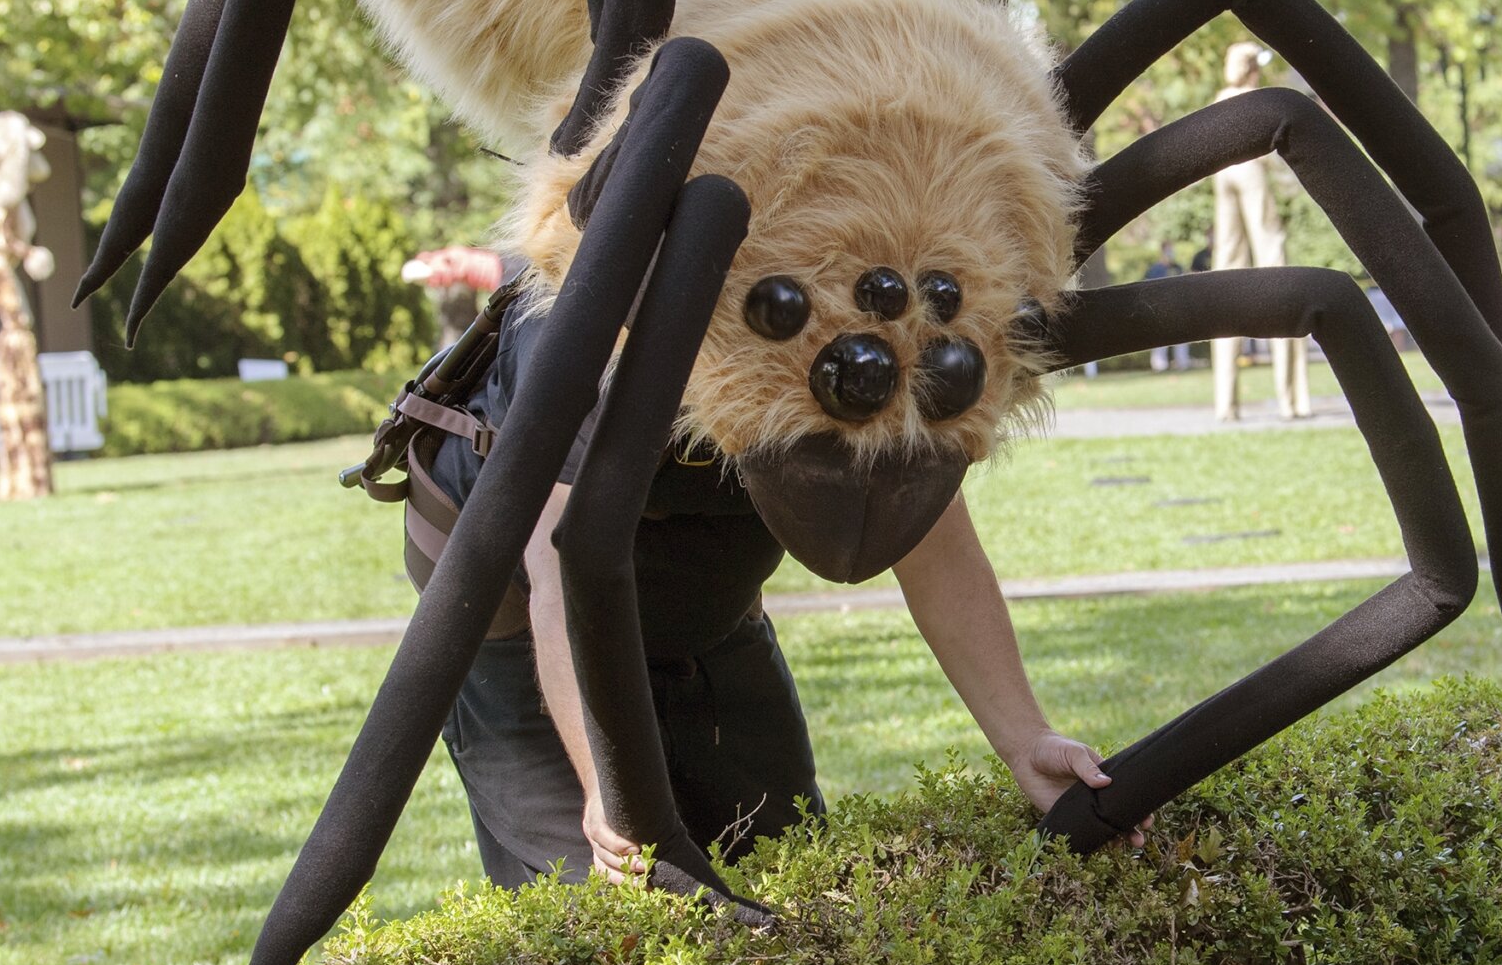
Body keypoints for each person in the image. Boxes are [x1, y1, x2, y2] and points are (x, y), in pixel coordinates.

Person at [423, 287, 1130, 892]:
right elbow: (558, 577)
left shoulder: (883, 313)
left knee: (787, 863)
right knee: (606, 891)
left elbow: (936, 551)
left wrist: (1026, 739)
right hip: (517, 607)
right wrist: (600, 783)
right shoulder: (593, 322)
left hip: (709, 606)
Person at [1209, 41, 1309, 422]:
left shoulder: (1219, 99)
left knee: (1225, 279)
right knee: (1275, 270)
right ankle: (1291, 399)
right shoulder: (1257, 99)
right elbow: (1276, 159)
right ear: (1252, 69)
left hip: (1223, 178)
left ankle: (1226, 403)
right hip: (1249, 175)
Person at [1140, 240, 1190, 371]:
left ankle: (1182, 363)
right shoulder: (1154, 270)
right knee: (1160, 340)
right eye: (1168, 249)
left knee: (1181, 338)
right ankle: (1159, 366)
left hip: (1177, 308)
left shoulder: (1177, 268)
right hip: (1160, 309)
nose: (1171, 253)